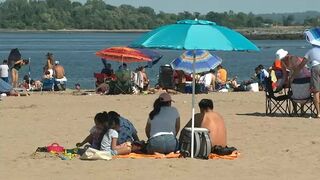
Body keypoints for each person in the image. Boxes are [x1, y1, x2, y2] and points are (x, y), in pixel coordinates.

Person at [304, 28, 320, 118]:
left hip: (315, 68)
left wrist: (293, 75)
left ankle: (318, 113)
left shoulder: (310, 51)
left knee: (316, 92)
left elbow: (301, 65)